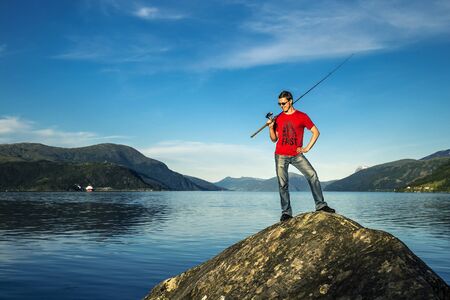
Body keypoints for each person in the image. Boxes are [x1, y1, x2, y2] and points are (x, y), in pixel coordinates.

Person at [267, 90, 335, 222]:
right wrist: (271, 127)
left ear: (290, 101)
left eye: (284, 103)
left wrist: (307, 148)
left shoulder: (302, 116)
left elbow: (316, 132)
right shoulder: (278, 118)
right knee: (283, 184)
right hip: (280, 154)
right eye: (279, 104)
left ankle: (320, 206)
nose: (282, 106)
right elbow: (274, 139)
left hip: (297, 155)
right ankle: (286, 213)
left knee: (312, 175)